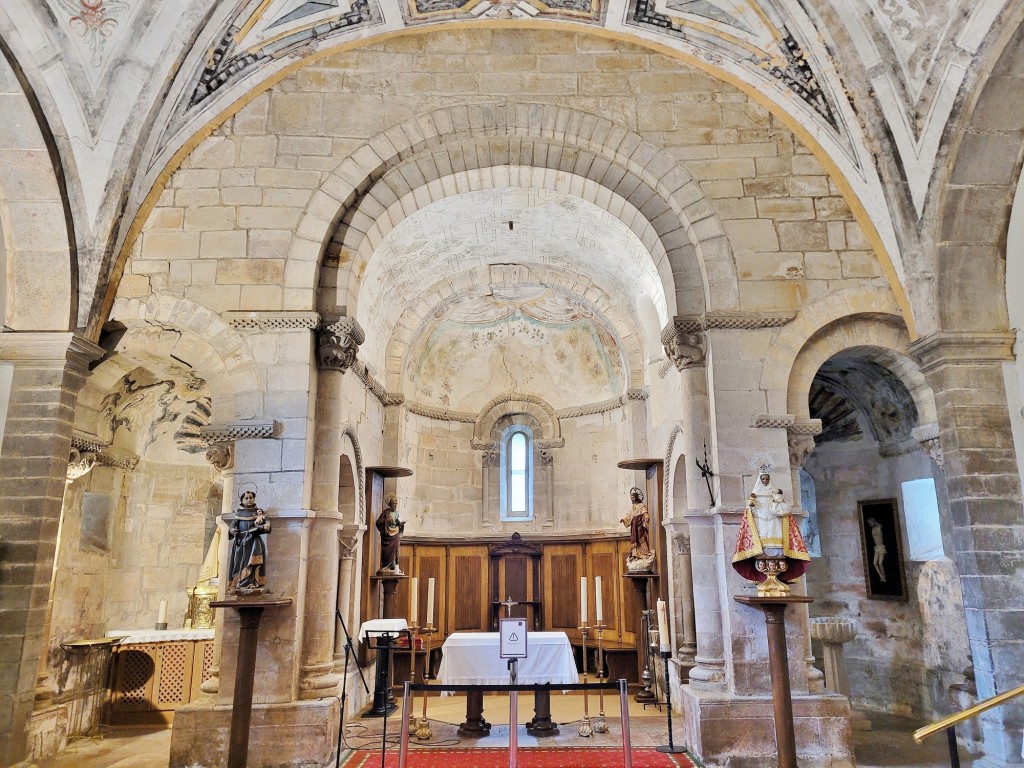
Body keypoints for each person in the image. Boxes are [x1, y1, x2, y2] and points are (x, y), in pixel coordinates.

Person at [732, 474, 809, 584]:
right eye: (763, 479)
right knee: (762, 550)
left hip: (775, 526)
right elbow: (750, 512)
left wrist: (777, 500)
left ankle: (776, 576)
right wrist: (752, 503)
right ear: (760, 480)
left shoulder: (775, 495)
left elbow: (784, 511)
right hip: (761, 526)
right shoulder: (755, 495)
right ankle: (765, 576)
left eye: (767, 479)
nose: (765, 481)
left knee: (777, 549)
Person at [227, 489, 271, 594]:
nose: (249, 500)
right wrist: (232, 531)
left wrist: (261, 527)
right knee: (240, 563)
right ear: (242, 500)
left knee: (253, 563)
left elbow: (267, 525)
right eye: (246, 498)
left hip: (254, 542)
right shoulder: (239, 513)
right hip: (241, 543)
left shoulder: (258, 513)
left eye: (251, 498)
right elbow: (231, 528)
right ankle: (240, 582)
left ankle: (253, 583)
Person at [621, 487, 655, 572]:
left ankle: (645, 553)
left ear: (636, 497)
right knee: (634, 540)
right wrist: (624, 519)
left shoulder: (641, 505)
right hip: (633, 526)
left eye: (632, 498)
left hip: (639, 524)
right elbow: (629, 515)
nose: (632, 499)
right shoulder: (633, 507)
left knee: (641, 538)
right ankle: (636, 555)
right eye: (631, 498)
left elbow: (645, 512)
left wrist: (646, 517)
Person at [376, 493, 405, 574]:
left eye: (396, 505)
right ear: (390, 504)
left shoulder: (397, 513)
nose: (395, 506)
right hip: (387, 535)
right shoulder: (385, 512)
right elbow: (378, 522)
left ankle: (394, 567)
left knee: (396, 550)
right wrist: (386, 521)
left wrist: (401, 524)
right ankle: (386, 566)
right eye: (393, 505)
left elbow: (400, 523)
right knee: (387, 551)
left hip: (396, 534)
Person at [867, 518, 887, 582]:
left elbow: (880, 530)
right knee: (874, 563)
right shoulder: (873, 529)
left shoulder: (878, 528)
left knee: (880, 563)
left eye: (870, 522)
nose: (870, 524)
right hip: (877, 547)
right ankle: (881, 576)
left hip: (880, 547)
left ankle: (884, 576)